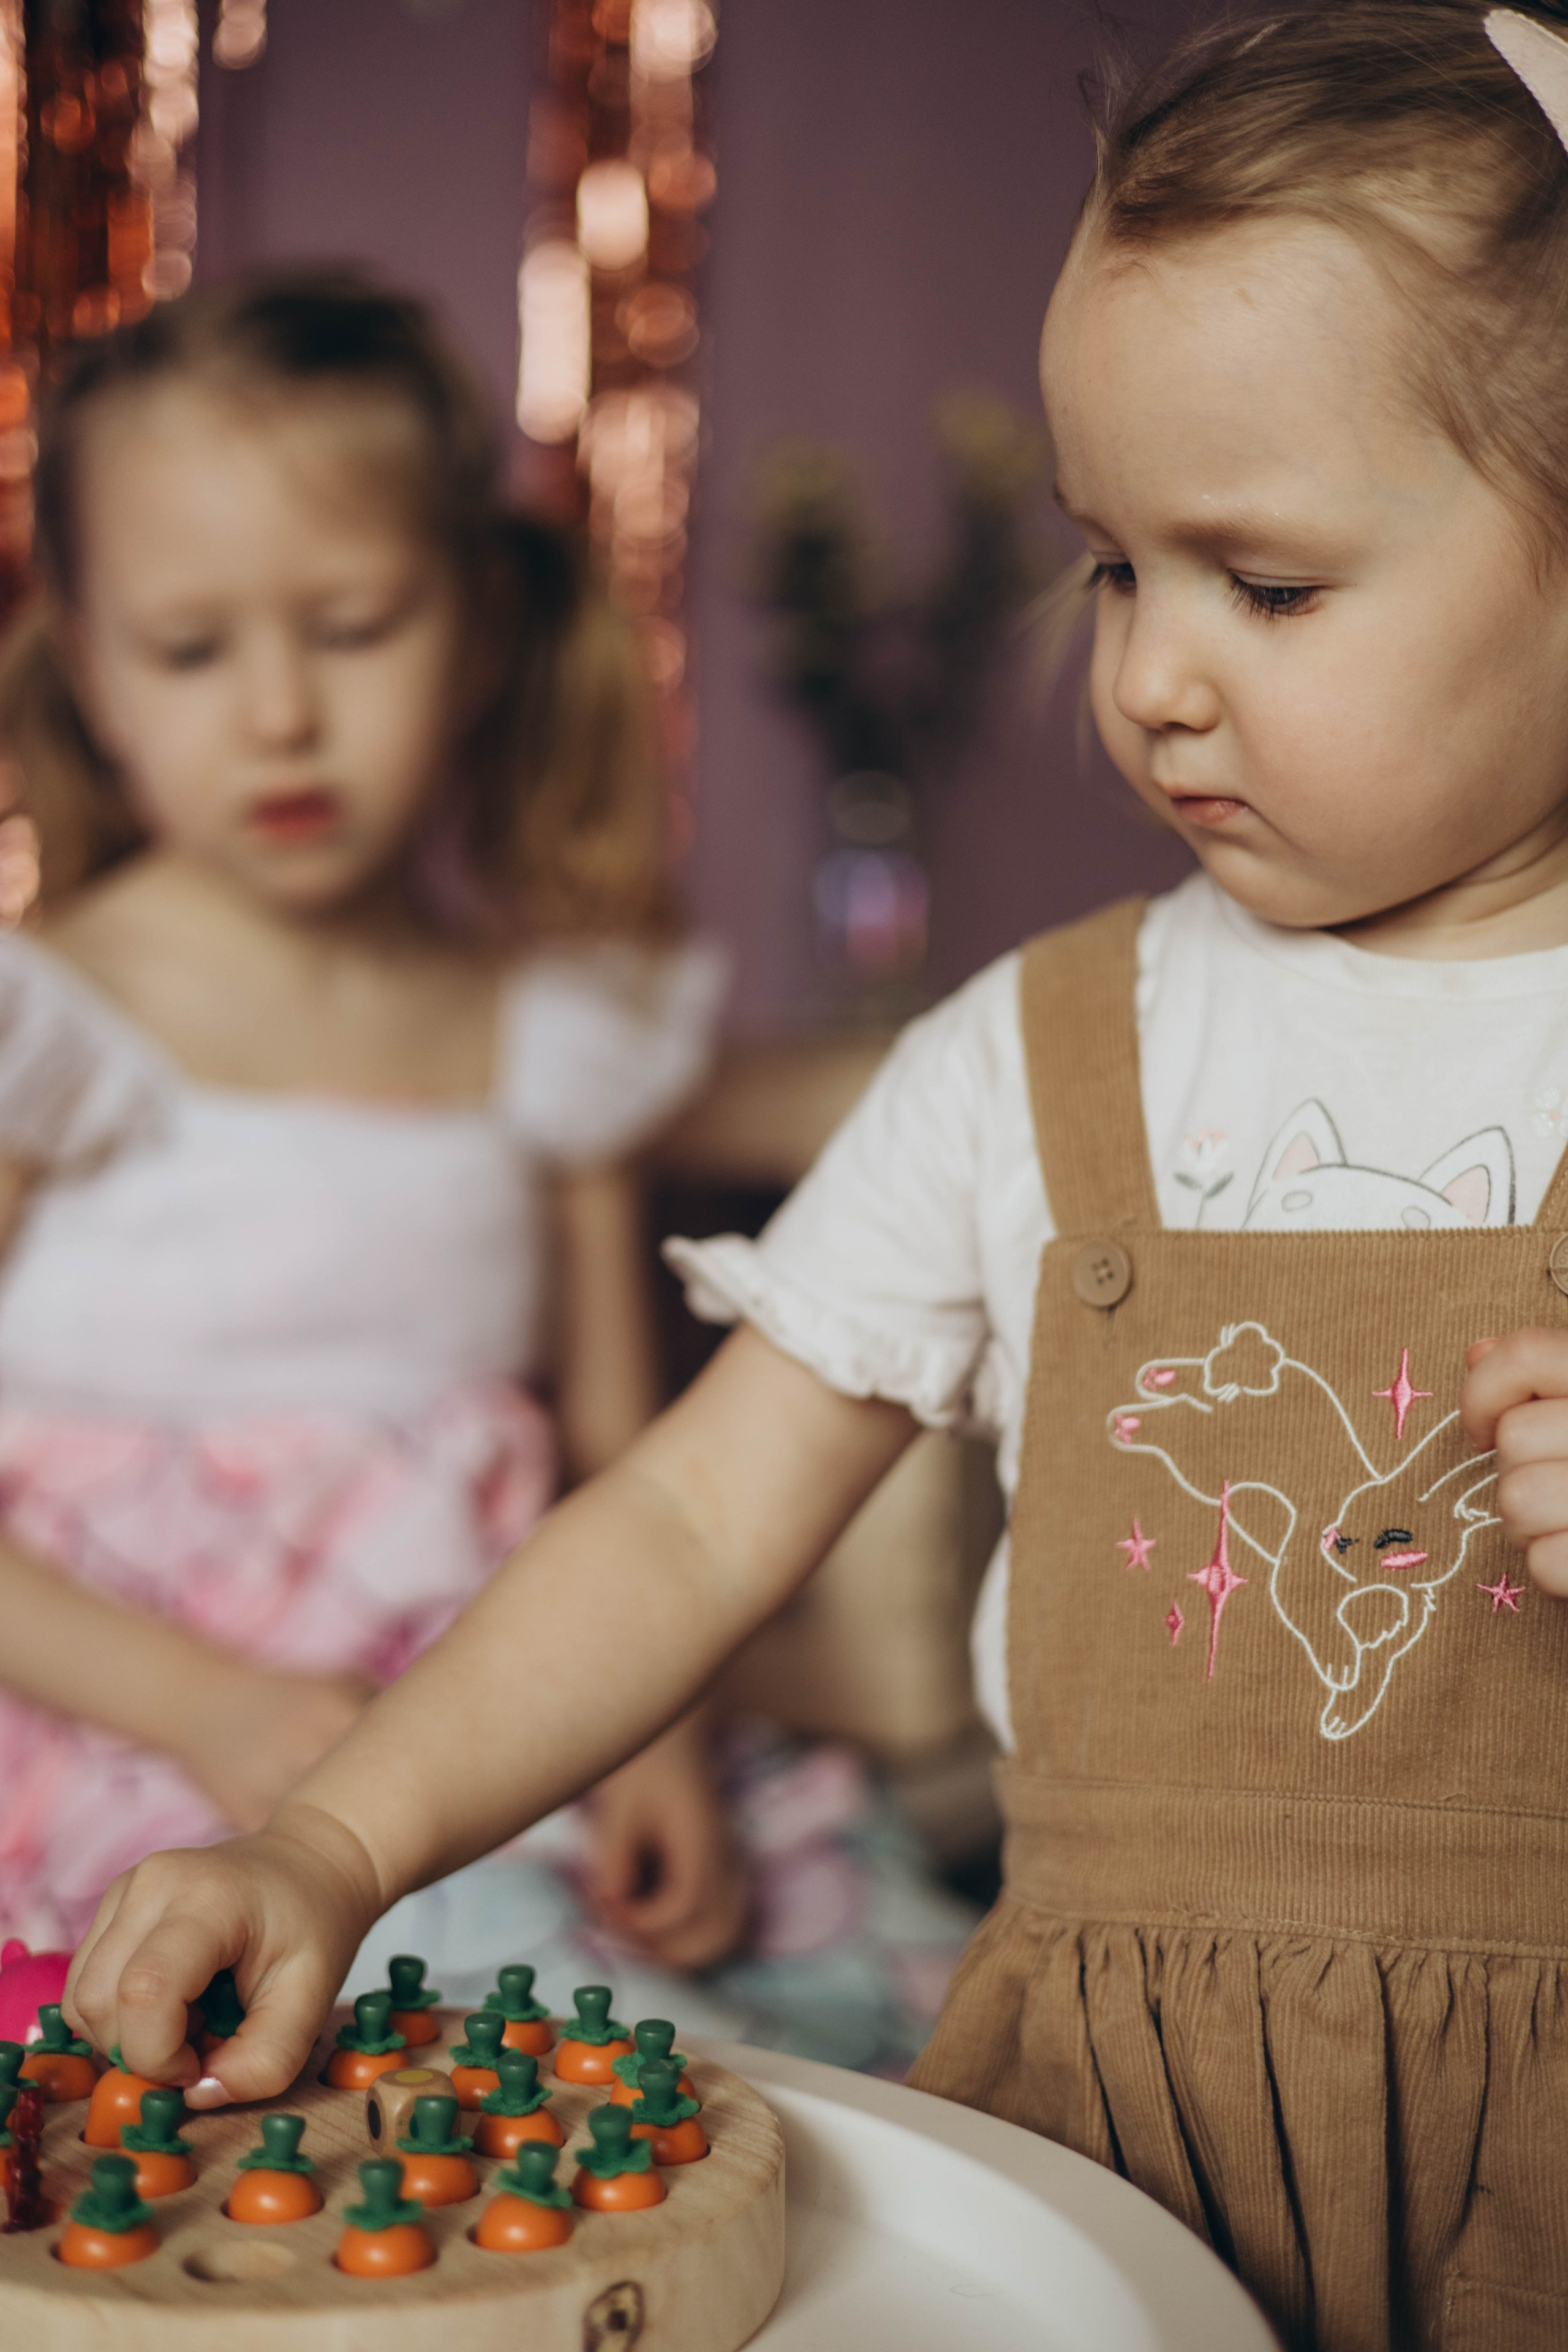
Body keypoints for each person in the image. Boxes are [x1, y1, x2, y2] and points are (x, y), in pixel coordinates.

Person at [66, 2, 1568, 2340]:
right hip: (1116, 2124)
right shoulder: (1034, 1057)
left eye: (1261, 587)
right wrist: (337, 1837)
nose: (1156, 676)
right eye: (1113, 567)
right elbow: (683, 1516)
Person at [0, 268, 747, 1983]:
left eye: (352, 628)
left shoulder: (555, 1035)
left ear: (479, 629)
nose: (279, 714)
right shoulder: (43, 1026)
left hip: (472, 1721)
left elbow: (627, 1461)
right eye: (191, 649)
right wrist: (207, 1704)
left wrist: (654, 1738)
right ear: (95, 672)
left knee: (659, 2039)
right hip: (121, 1724)